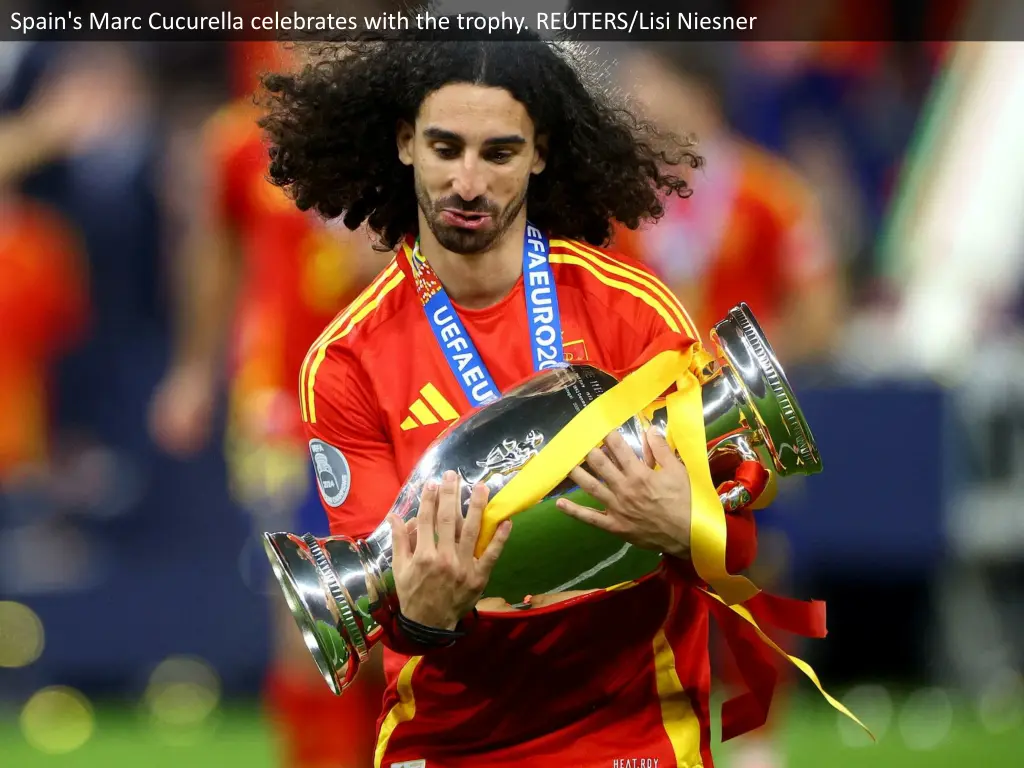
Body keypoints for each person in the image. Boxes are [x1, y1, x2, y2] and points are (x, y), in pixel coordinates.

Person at [258, 26, 821, 767]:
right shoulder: (346, 361)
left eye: (499, 153)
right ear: (404, 144)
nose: (468, 182)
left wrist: (687, 522)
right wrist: (425, 614)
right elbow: (384, 613)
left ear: (541, 154)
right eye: (445, 147)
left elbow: (748, 535)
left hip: (634, 734)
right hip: (455, 741)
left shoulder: (634, 311)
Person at [148, 42, 386, 768]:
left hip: (395, 400)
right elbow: (214, 250)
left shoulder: (404, 135)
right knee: (310, 616)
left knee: (399, 616)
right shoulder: (240, 141)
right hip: (281, 411)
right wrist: (192, 368)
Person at [612, 44, 845, 370]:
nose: (627, 100)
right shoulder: (616, 197)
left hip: (741, 405)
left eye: (646, 84)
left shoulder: (772, 192)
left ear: (698, 94)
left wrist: (748, 371)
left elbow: (819, 310)